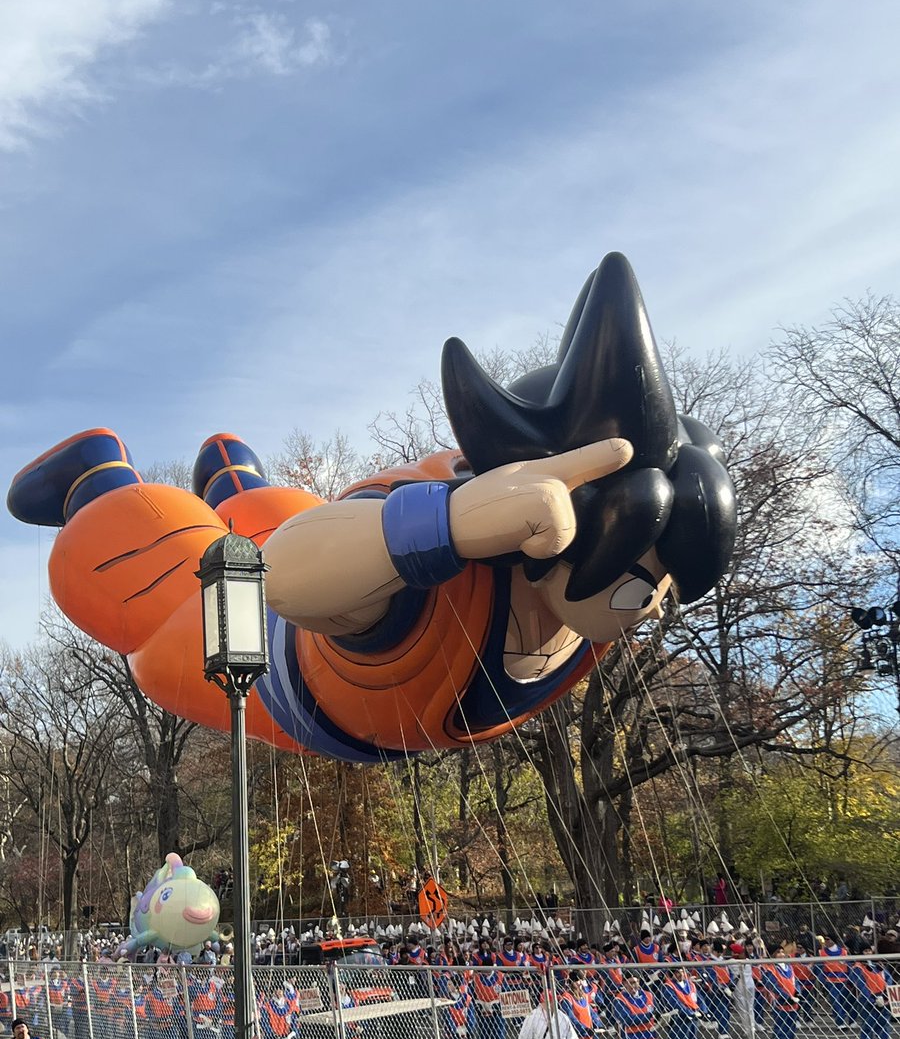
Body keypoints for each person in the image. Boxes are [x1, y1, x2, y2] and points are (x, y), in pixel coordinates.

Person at [7, 255, 736, 769]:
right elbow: (281, 576)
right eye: (642, 588)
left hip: (321, 561)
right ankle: (96, 479)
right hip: (270, 633)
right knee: (143, 605)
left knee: (267, 520)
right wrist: (446, 527)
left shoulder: (591, 605)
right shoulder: (446, 579)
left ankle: (232, 478)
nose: (648, 606)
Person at [849, 946, 895, 1039]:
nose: (868, 953)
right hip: (867, 999)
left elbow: (888, 978)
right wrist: (872, 999)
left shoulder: (878, 964)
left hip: (882, 996)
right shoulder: (858, 967)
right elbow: (861, 985)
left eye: (869, 950)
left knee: (883, 1023)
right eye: (865, 951)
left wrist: (886, 993)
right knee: (868, 1024)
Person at [759, 947, 801, 1039]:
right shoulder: (770, 969)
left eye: (782, 952)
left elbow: (795, 981)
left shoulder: (789, 967)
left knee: (791, 1030)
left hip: (793, 1002)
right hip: (780, 1002)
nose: (781, 954)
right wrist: (786, 996)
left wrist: (797, 993)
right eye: (778, 952)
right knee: (781, 1030)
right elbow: (772, 985)